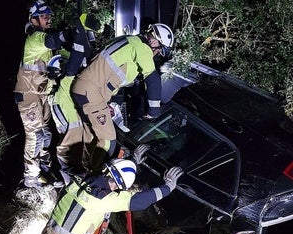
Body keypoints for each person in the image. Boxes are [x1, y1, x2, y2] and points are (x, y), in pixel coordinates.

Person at [32, 144, 184, 234]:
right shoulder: (102, 199)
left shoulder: (86, 178)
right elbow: (139, 201)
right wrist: (168, 186)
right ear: (119, 186)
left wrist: (132, 161)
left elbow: (117, 172)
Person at [71, 23, 174, 169]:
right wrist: (154, 112)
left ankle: (82, 169)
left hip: (87, 89)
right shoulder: (142, 48)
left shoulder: (128, 40)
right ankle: (93, 177)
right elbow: (153, 79)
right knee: (108, 142)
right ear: (154, 41)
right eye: (159, 50)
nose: (156, 54)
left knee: (92, 136)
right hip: (92, 92)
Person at [14, 0, 73, 188]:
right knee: (36, 135)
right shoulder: (35, 39)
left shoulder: (45, 41)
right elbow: (53, 40)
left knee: (46, 134)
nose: (49, 19)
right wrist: (70, 33)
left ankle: (44, 167)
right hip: (29, 96)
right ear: (34, 20)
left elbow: (56, 56)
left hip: (42, 95)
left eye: (49, 16)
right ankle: (31, 175)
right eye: (44, 16)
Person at [46, 14, 100, 185]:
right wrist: (79, 32)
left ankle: (69, 182)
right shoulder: (64, 85)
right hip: (70, 145)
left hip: (69, 143)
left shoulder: (56, 90)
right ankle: (71, 184)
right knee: (74, 167)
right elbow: (75, 62)